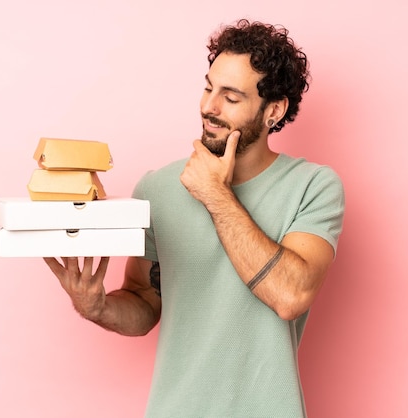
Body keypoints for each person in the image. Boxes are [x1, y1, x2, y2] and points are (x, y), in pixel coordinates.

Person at [45, 19, 345, 418]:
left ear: (273, 110)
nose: (210, 107)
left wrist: (215, 194)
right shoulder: (158, 188)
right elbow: (144, 302)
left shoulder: (314, 187)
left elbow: (290, 296)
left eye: (231, 98)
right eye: (208, 88)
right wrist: (97, 307)